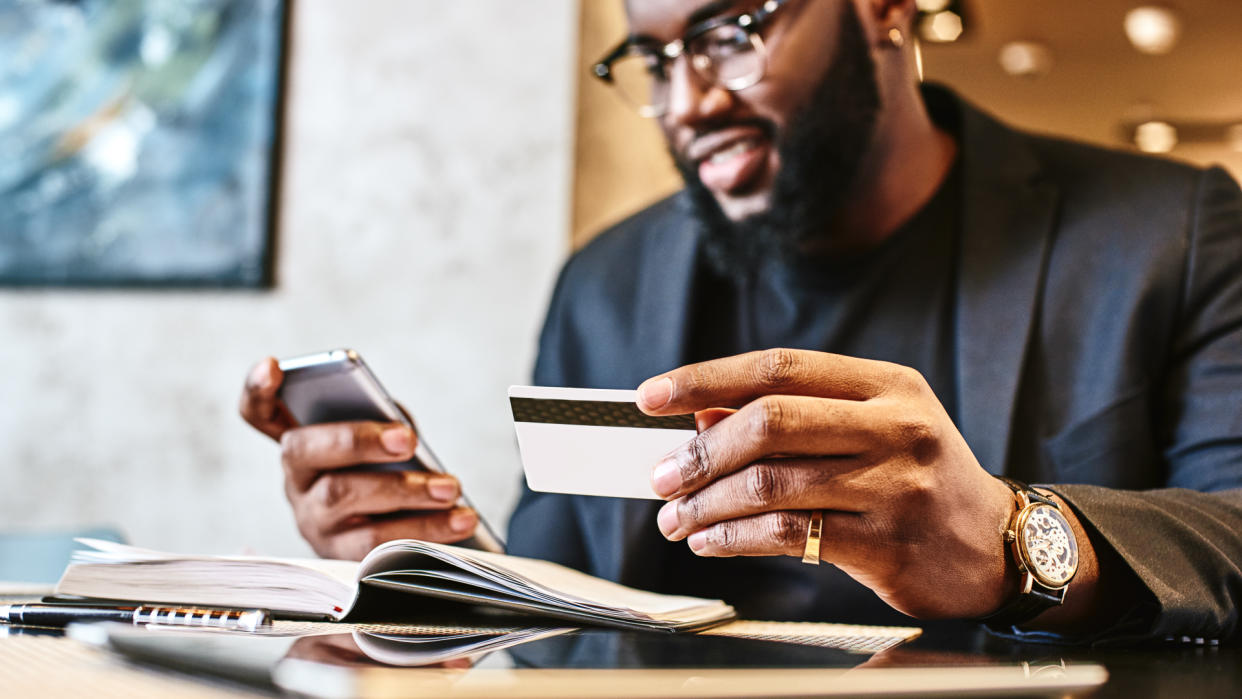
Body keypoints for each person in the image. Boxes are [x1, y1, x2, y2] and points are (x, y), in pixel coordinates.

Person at [240, 0, 1242, 643]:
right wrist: (429, 564)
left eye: (731, 31)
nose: (690, 99)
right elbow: (563, 593)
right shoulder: (606, 277)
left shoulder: (1168, 231)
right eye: (653, 57)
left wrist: (1015, 540)